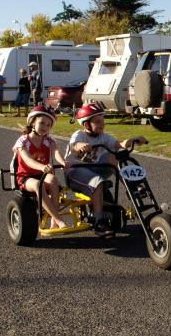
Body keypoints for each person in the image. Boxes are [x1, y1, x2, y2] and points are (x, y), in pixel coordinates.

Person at [64, 102, 149, 238]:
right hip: (75, 171)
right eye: (98, 122)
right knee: (97, 182)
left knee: (112, 156)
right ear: (86, 125)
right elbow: (74, 145)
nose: (102, 124)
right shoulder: (79, 135)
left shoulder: (104, 136)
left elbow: (119, 145)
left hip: (95, 170)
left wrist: (133, 140)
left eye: (103, 121)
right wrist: (81, 146)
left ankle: (132, 186)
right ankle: (100, 222)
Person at [12, 105, 68, 229]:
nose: (45, 127)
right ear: (32, 122)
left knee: (53, 180)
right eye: (42, 123)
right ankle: (58, 219)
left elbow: (56, 153)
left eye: (48, 125)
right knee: (38, 185)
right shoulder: (23, 141)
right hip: (26, 177)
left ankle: (54, 220)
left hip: (43, 174)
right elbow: (28, 160)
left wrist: (63, 162)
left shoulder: (49, 141)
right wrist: (42, 167)